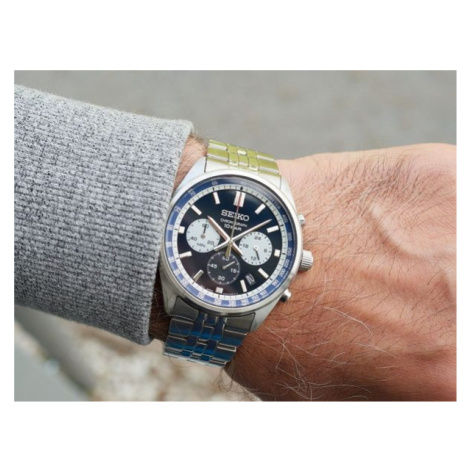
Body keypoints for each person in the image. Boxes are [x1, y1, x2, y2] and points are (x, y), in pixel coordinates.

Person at [15, 85, 456, 401]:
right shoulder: (268, 253)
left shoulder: (285, 258)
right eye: (222, 234)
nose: (227, 240)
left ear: (297, 260)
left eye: (245, 242)